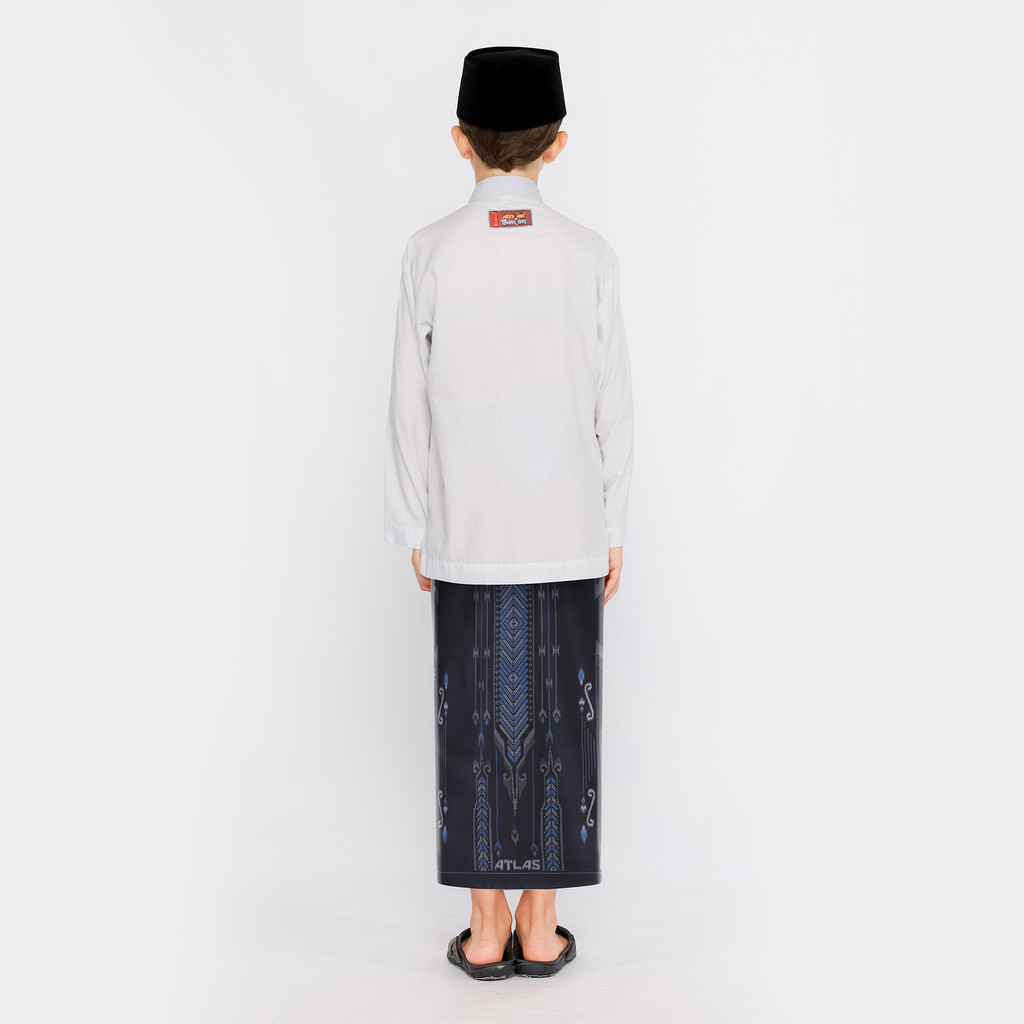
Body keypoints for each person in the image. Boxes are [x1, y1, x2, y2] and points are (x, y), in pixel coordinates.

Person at [383, 45, 634, 980]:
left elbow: (407, 403)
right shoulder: (589, 255)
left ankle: (485, 930)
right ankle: (542, 927)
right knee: (563, 725)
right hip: (566, 530)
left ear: (461, 139)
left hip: (468, 530)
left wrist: (415, 524)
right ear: (557, 144)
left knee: (471, 725)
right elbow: (615, 407)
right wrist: (614, 526)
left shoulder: (429, 251)